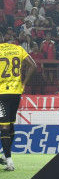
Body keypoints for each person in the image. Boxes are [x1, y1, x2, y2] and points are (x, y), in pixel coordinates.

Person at [0, 41, 37, 171]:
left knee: (3, 127)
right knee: (10, 124)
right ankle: (5, 155)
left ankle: (9, 162)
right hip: (16, 92)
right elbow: (33, 65)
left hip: (2, 94)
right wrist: (24, 83)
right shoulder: (18, 49)